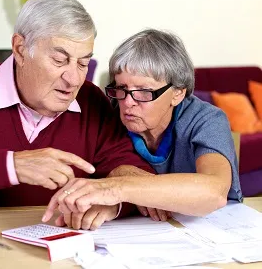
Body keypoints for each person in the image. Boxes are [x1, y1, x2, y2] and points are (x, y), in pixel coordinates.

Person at [0, 0, 154, 229]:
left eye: (83, 63)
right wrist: (11, 165)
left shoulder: (91, 100)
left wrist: (113, 201)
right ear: (20, 49)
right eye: (59, 60)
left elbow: (133, 172)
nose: (74, 79)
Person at [43, 29, 242, 227]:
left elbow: (214, 192)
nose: (128, 102)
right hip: (135, 230)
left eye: (145, 92)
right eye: (121, 88)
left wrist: (117, 185)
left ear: (178, 94)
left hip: (210, 229)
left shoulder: (206, 120)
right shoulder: (109, 115)